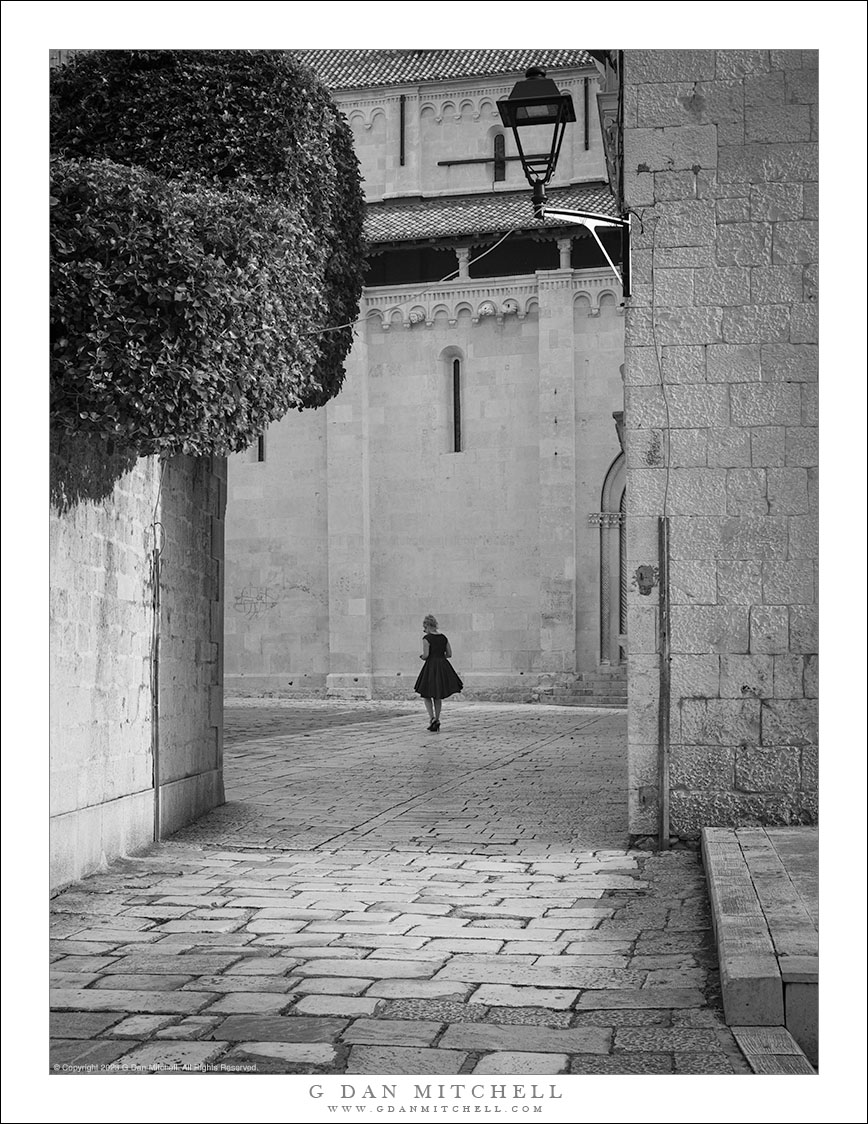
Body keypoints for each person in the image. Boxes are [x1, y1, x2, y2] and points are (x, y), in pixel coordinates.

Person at [414, 614, 463, 731]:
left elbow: (426, 655)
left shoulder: (427, 639)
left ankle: (431, 718)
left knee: (426, 694)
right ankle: (438, 718)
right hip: (442, 666)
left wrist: (422, 657)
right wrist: (441, 657)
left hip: (431, 667)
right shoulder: (443, 638)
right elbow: (449, 654)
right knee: (437, 695)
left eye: (424, 627)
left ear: (427, 626)